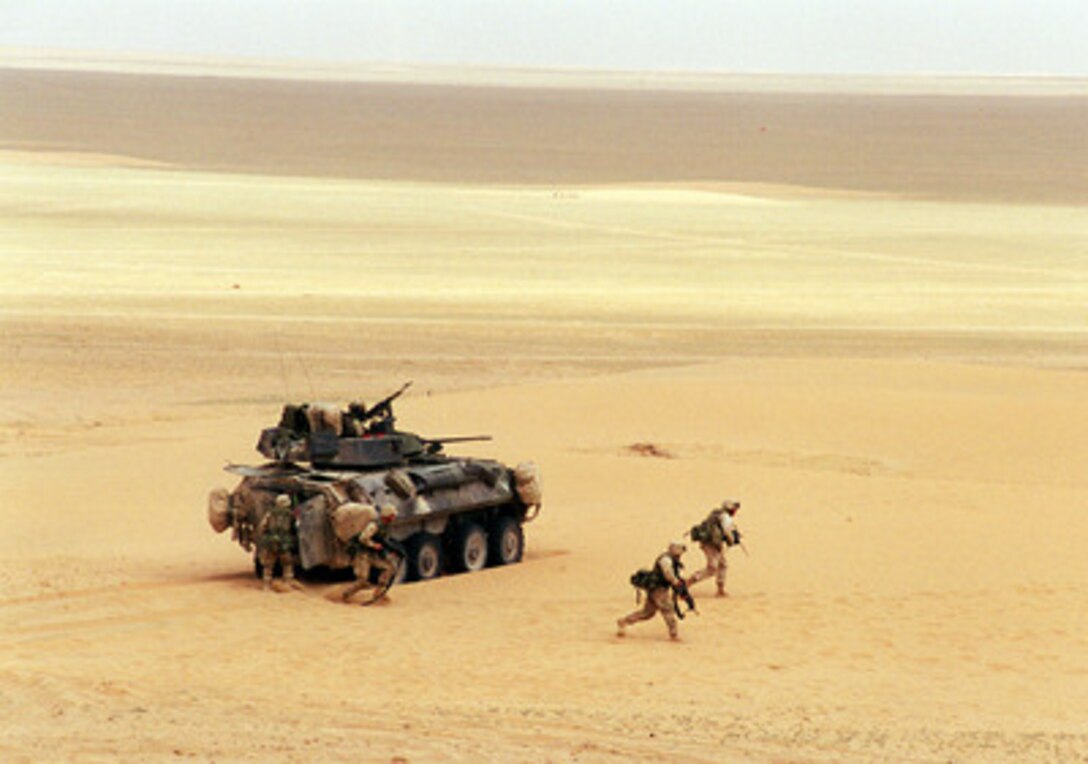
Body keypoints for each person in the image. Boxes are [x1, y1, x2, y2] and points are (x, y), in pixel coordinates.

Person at [617, 540, 692, 641]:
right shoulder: (666, 560)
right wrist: (675, 582)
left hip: (656, 588)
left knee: (647, 613)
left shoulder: (672, 559)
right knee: (668, 609)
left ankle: (624, 621)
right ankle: (674, 634)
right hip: (658, 589)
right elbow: (668, 573)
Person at [341, 504, 402, 603]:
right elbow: (363, 538)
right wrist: (373, 545)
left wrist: (389, 552)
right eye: (392, 515)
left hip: (373, 554)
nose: (394, 518)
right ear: (387, 516)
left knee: (390, 567)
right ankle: (345, 595)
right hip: (363, 554)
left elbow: (384, 541)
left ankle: (380, 592)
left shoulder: (385, 526)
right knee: (363, 580)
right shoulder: (374, 526)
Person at [687, 499, 742, 597]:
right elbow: (727, 532)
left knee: (723, 564)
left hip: (711, 543)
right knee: (712, 568)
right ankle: (687, 583)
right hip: (711, 544)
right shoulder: (725, 518)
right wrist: (732, 540)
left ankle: (720, 590)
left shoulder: (716, 514)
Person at [256, 494, 303, 592]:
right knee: (287, 564)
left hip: (271, 542)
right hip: (284, 543)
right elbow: (296, 527)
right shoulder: (290, 514)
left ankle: (266, 585)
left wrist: (265, 537)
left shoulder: (270, 513)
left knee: (268, 565)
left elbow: (262, 527)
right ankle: (287, 583)